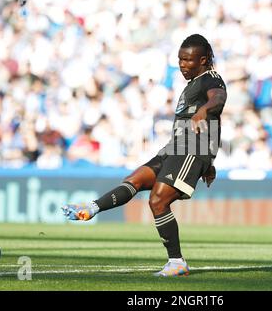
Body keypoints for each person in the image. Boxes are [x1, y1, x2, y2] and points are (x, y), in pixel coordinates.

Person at [61, 34, 227, 277]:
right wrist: (208, 163)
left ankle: (177, 262)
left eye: (188, 60)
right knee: (135, 179)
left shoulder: (211, 79)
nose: (182, 64)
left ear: (203, 60)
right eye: (180, 59)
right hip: (177, 147)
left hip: (191, 149)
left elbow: (219, 99)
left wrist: (203, 114)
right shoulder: (192, 84)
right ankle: (92, 208)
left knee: (158, 200)